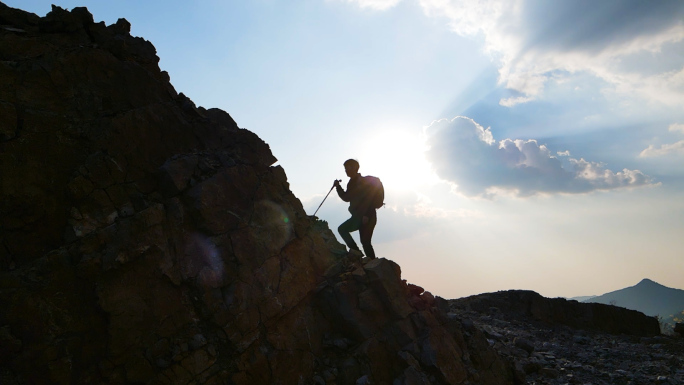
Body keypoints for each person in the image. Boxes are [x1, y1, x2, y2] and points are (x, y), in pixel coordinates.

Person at [333, 159, 377, 260]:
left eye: (347, 168)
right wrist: (338, 187)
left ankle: (358, 254)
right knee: (365, 242)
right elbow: (347, 198)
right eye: (345, 169)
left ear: (354, 168)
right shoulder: (352, 183)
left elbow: (369, 198)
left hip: (365, 216)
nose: (346, 171)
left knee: (343, 230)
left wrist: (367, 215)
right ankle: (370, 262)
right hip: (362, 216)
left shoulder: (360, 182)